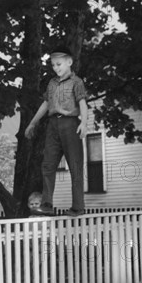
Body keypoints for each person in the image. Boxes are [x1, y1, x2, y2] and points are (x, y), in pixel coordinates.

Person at [24, 45, 88, 217]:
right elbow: (46, 104)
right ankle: (47, 204)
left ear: (69, 62)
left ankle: (77, 206)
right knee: (47, 165)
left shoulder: (77, 82)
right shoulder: (52, 83)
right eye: (53, 65)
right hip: (53, 125)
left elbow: (82, 103)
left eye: (59, 64)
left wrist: (85, 122)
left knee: (75, 166)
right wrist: (32, 123)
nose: (56, 68)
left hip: (70, 124)